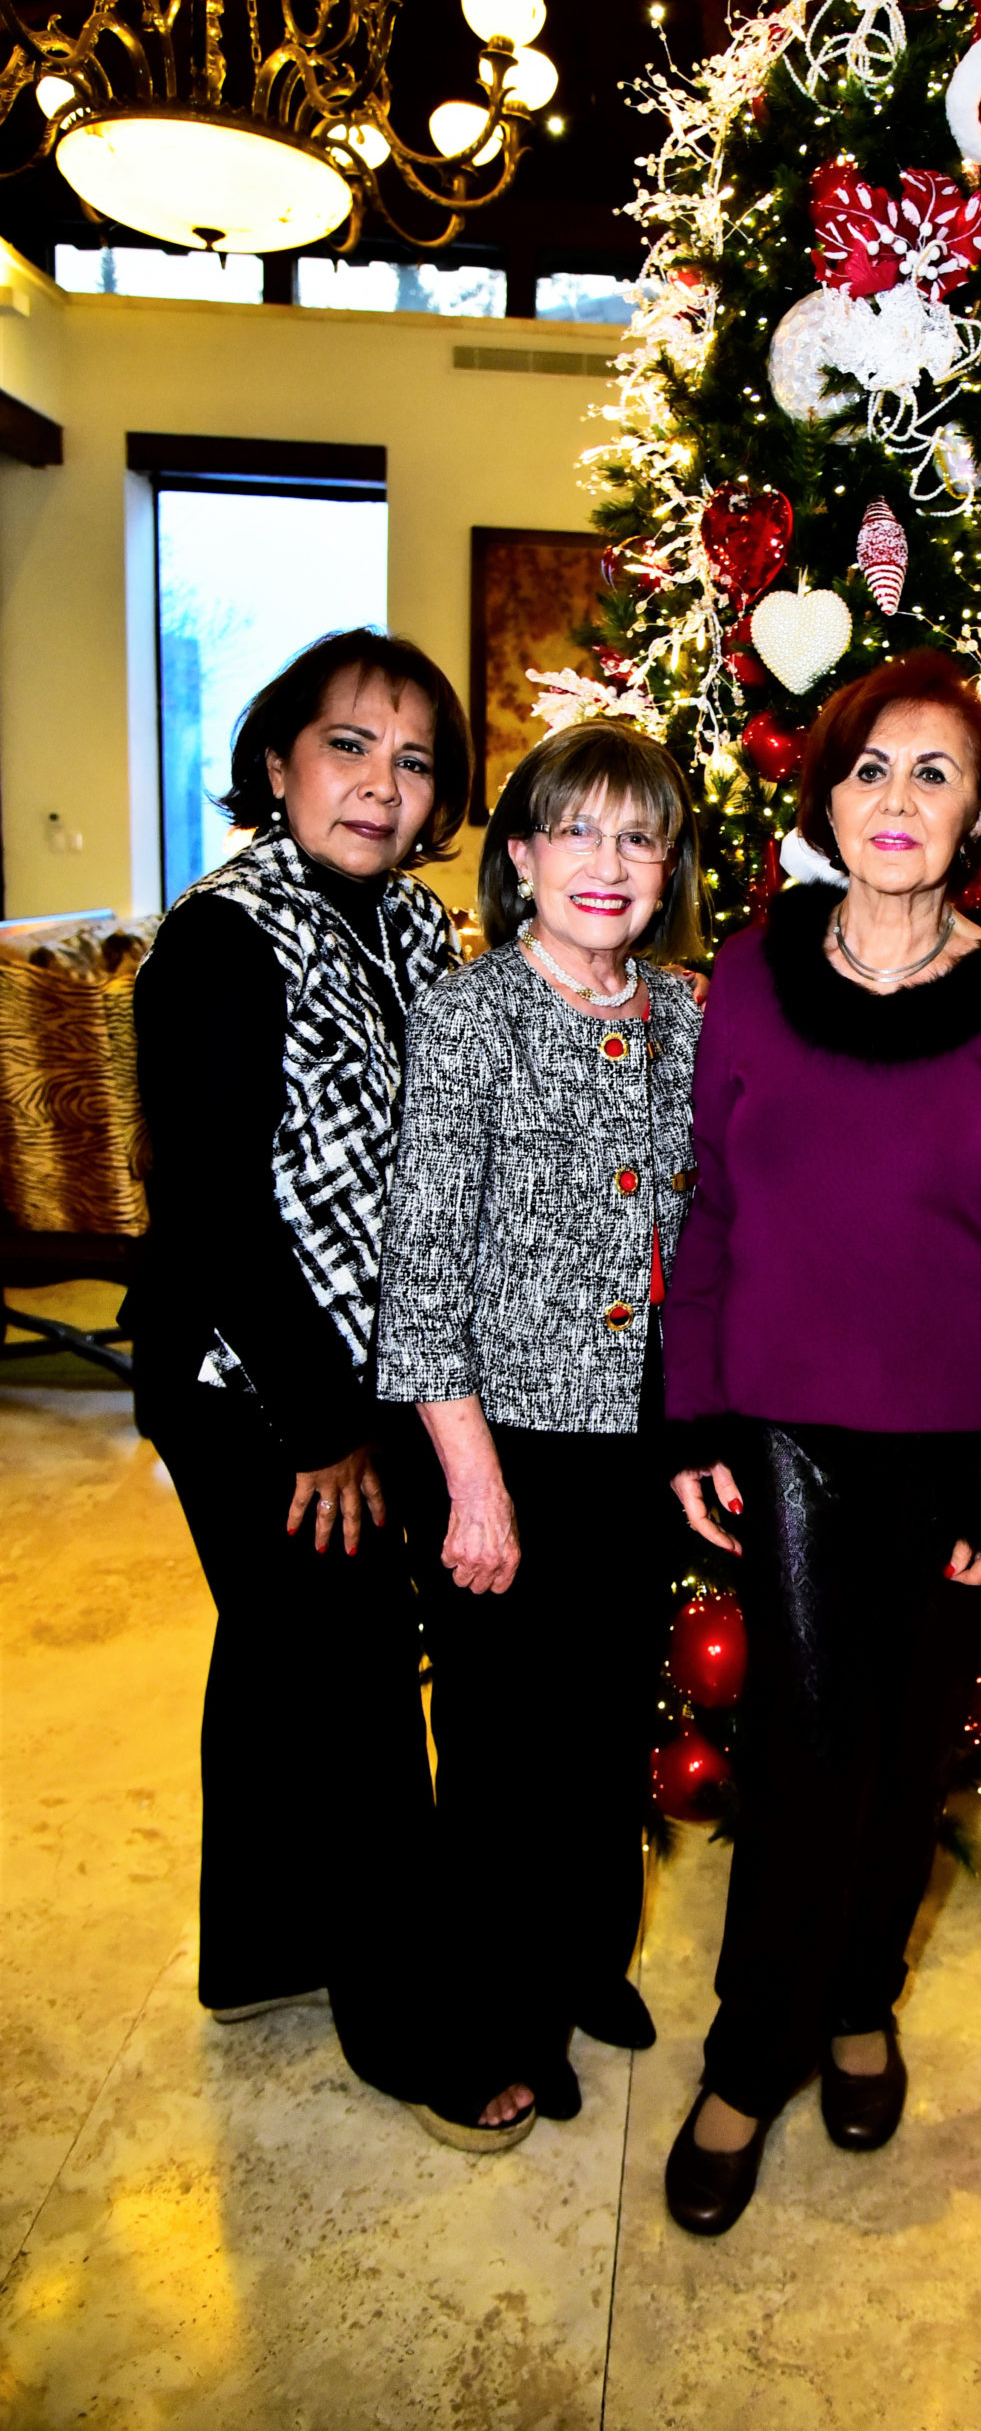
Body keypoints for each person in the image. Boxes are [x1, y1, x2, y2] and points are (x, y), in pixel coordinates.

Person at [661, 649, 981, 2235]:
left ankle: (860, 2003)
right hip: (782, 1434)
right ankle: (747, 2055)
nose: (894, 801)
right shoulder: (757, 973)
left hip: (961, 1451)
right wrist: (692, 1404)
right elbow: (708, 1202)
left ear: (976, 810)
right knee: (805, 1753)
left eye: (931, 773)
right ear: (822, 797)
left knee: (908, 1760)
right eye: (867, 771)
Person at [127, 628, 534, 2149]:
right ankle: (406, 2024)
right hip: (260, 1384)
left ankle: (261, 1950)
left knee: (279, 1652)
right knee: (357, 1680)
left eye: (414, 757)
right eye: (350, 745)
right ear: (279, 759)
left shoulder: (414, 932)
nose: (380, 783)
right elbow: (218, 1216)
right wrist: (330, 1432)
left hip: (368, 1366)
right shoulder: (226, 937)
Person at [375, 722, 704, 2125]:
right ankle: (499, 2018)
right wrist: (473, 1488)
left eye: (637, 836)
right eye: (576, 831)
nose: (606, 863)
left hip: (643, 1446)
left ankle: (585, 1963)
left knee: (602, 1727)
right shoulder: (467, 1018)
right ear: (519, 856)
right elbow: (421, 1272)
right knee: (504, 1755)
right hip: (501, 1446)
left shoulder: (688, 1015)